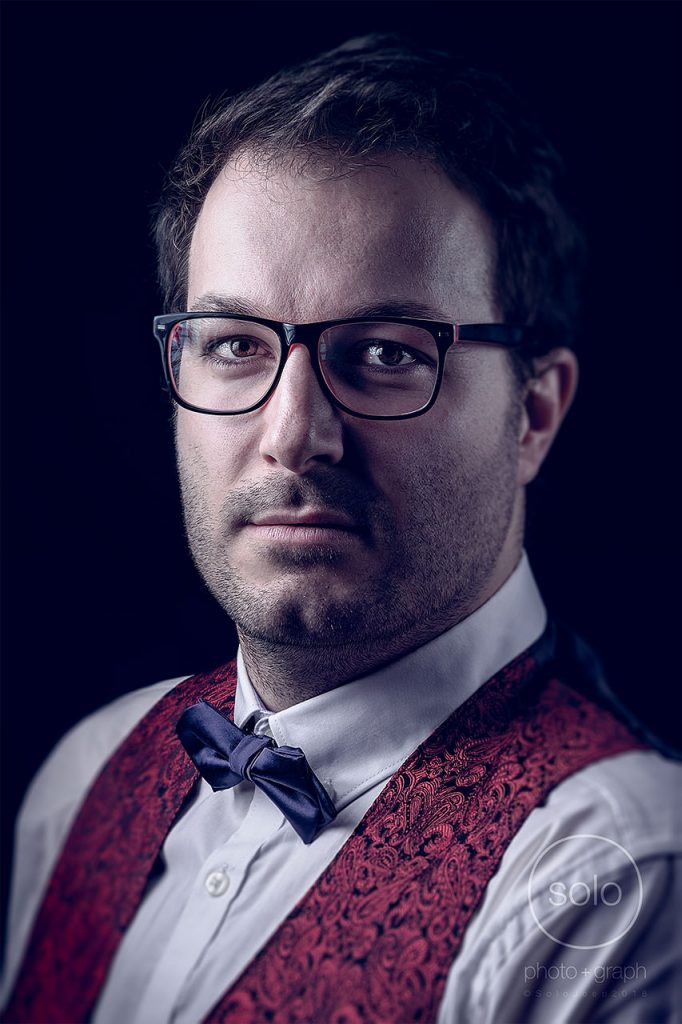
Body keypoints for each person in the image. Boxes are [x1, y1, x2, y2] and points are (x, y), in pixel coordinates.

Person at [2, 33, 680, 1024]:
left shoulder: (622, 875)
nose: (294, 435)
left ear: (532, 412)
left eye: (383, 353)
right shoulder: (84, 777)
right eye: (235, 345)